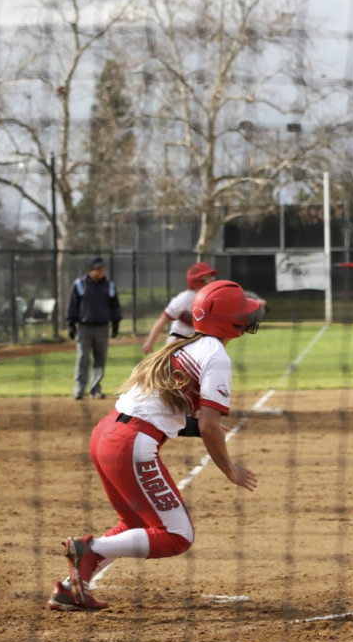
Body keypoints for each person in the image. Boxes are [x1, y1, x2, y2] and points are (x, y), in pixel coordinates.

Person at [52, 280, 264, 612]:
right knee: (178, 535)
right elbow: (209, 426)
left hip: (106, 434)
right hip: (131, 443)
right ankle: (88, 549)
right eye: (242, 312)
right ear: (231, 323)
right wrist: (229, 469)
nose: (249, 317)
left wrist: (198, 427)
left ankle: (69, 589)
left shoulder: (183, 345)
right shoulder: (216, 355)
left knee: (134, 525)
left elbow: (167, 410)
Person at [66, 255, 121, 400]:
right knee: (82, 358)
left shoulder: (109, 286)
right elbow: (72, 306)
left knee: (100, 359)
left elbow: (115, 307)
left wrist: (115, 325)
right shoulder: (79, 284)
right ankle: (79, 389)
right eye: (98, 269)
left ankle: (95, 389)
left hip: (103, 327)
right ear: (90, 270)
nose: (101, 271)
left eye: (102, 268)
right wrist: (71, 325)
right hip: (85, 328)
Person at [142, 262, 219, 354]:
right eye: (208, 277)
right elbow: (163, 319)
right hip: (178, 343)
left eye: (211, 277)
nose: (212, 280)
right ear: (197, 280)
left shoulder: (212, 297)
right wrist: (150, 342)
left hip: (197, 343)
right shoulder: (184, 299)